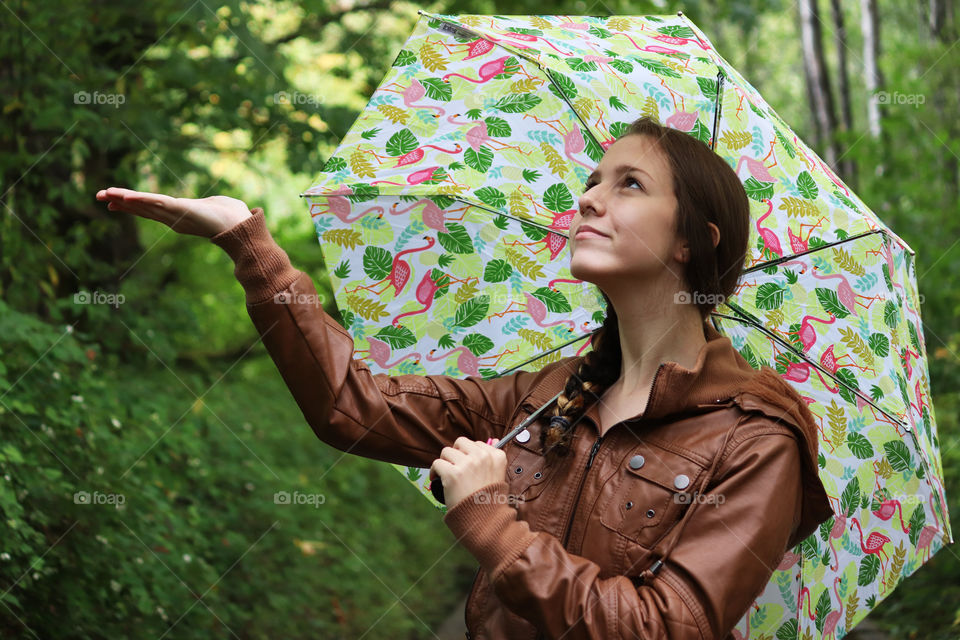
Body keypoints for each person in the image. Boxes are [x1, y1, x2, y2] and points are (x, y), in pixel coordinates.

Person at [97, 116, 834, 640]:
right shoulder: (546, 396)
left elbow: (666, 627)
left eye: (629, 184)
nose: (587, 199)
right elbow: (354, 408)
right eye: (592, 180)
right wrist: (247, 243)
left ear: (690, 241)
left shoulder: (755, 437)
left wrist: (491, 520)